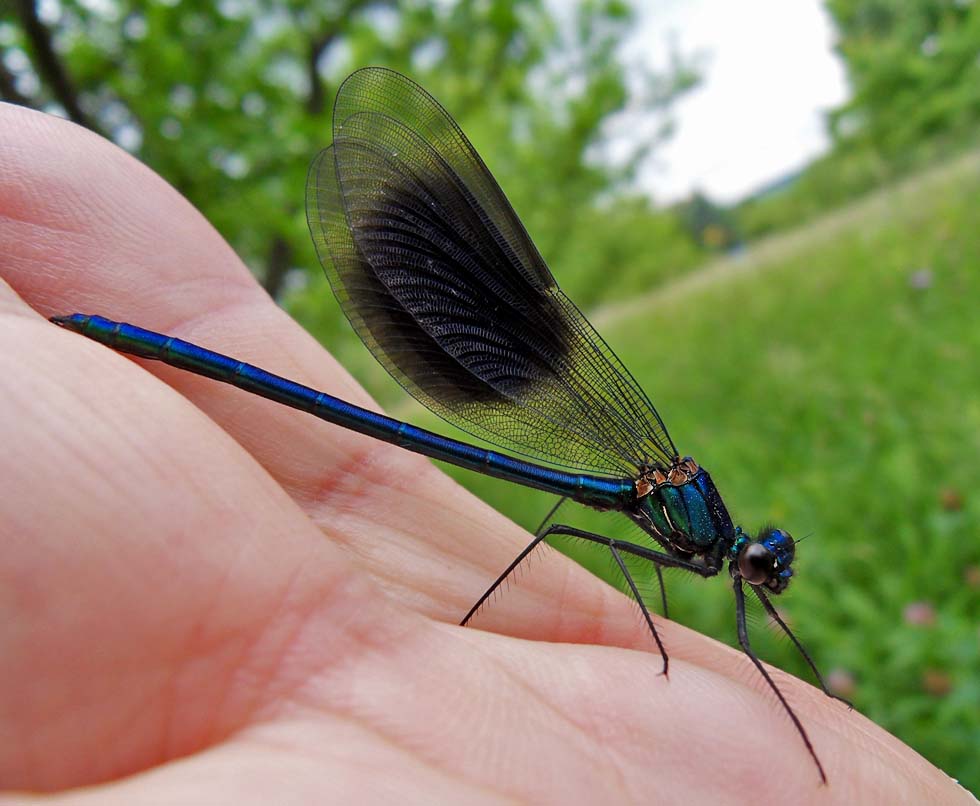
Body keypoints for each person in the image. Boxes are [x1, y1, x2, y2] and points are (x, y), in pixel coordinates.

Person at [0, 101, 970, 804]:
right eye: (758, 569)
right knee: (552, 507)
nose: (759, 575)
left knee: (563, 520)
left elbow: (615, 553)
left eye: (760, 565)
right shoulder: (693, 523)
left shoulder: (695, 529)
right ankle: (123, 336)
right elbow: (618, 555)